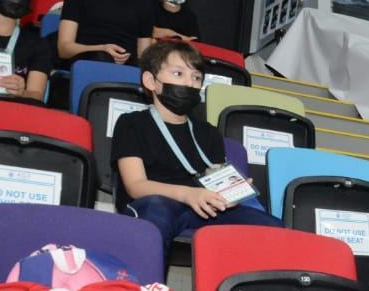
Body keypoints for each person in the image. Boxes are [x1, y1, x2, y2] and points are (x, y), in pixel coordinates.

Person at [112, 40, 281, 254]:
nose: (190, 83)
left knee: (272, 227)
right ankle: (147, 287)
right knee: (156, 210)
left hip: (202, 208)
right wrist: (187, 194)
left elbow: (215, 177)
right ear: (151, 81)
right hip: (156, 205)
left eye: (196, 77)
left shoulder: (208, 132)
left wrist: (229, 192)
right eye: (178, 74)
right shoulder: (132, 123)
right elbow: (135, 186)